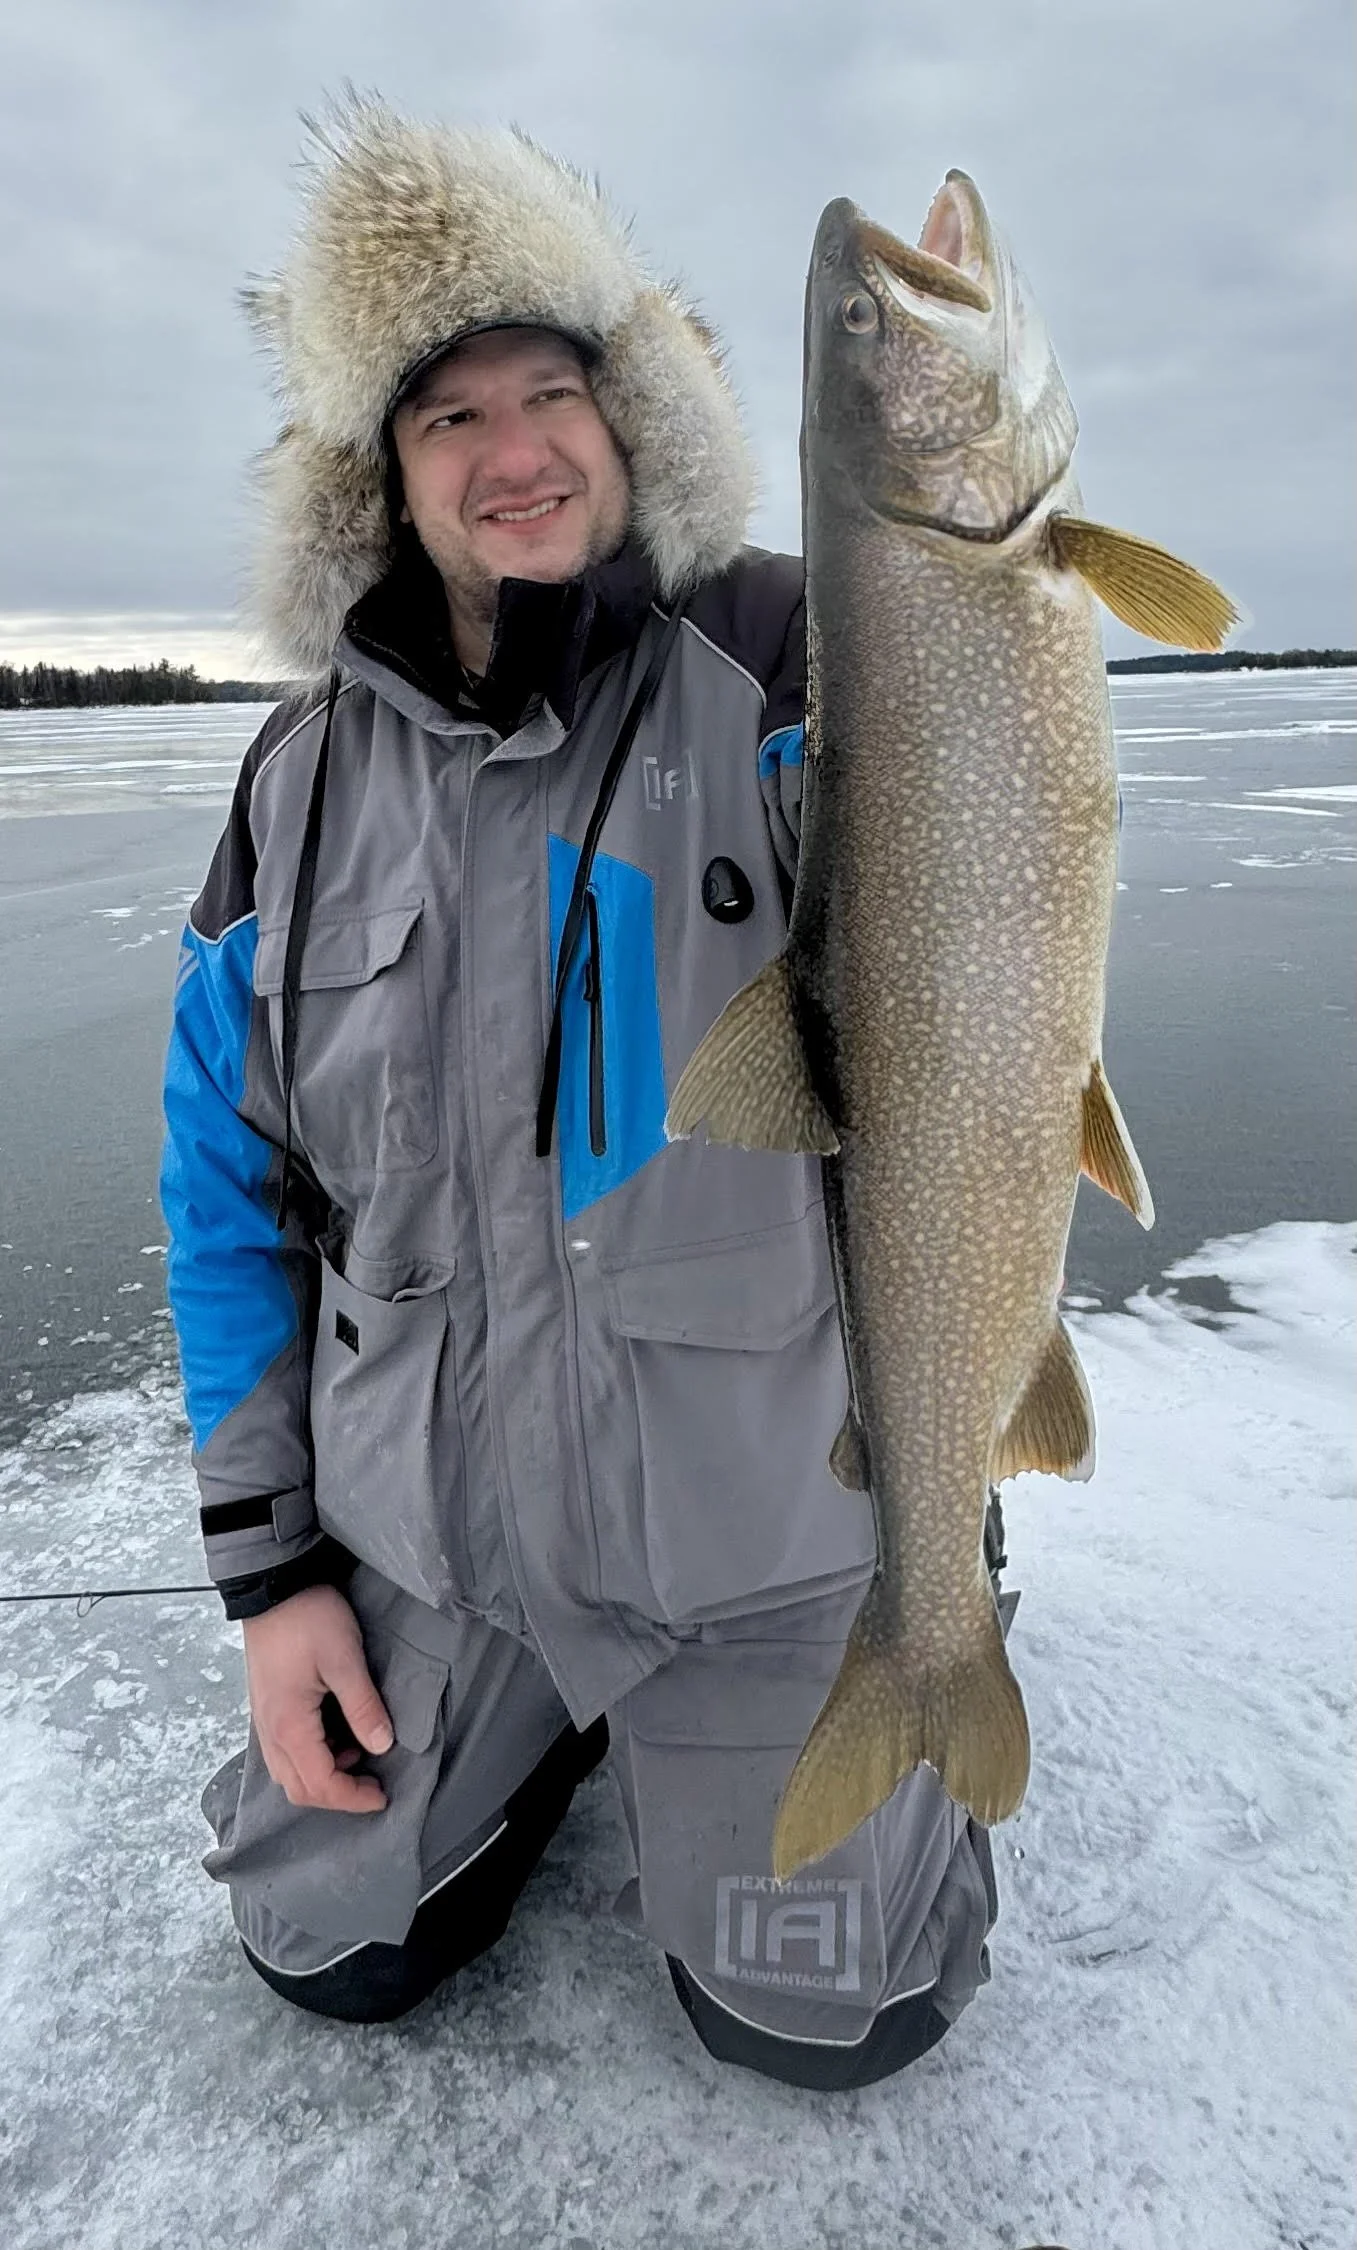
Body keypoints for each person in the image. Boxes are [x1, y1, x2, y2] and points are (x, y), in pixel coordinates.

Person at [160, 97, 1005, 2088]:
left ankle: (941, 1558)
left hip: (763, 1535)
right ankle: (540, 1725)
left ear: (630, 421)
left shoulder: (789, 656)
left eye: (553, 390)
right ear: (382, 474)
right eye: (450, 414)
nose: (515, 448)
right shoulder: (294, 787)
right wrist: (278, 1581)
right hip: (444, 1551)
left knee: (830, 2016)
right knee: (320, 1948)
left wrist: (955, 506)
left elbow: (958, 854)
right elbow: (227, 1188)